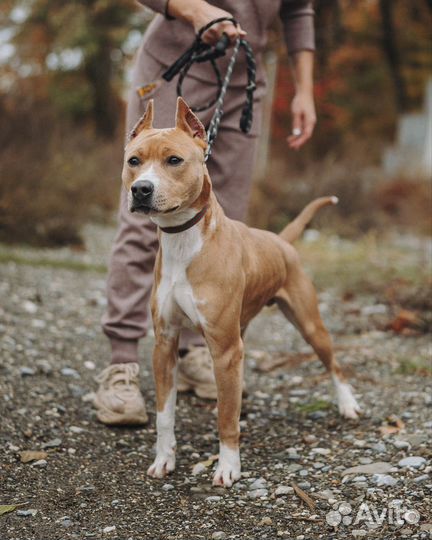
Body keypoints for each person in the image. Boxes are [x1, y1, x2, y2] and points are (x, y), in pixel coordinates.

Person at [94, 0, 317, 425]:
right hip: (175, 65)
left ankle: (197, 349)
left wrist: (304, 89)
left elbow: (299, 9)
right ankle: (122, 362)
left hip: (244, 81)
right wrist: (193, 9)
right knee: (148, 212)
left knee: (223, 223)